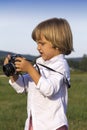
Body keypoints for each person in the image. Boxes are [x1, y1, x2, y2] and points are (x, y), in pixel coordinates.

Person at [4, 18, 73, 130]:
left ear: (58, 44)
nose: (38, 47)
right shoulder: (39, 63)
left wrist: (30, 69)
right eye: (37, 43)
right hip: (35, 122)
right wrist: (13, 72)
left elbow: (49, 89)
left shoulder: (61, 65)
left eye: (42, 43)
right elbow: (21, 87)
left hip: (53, 125)